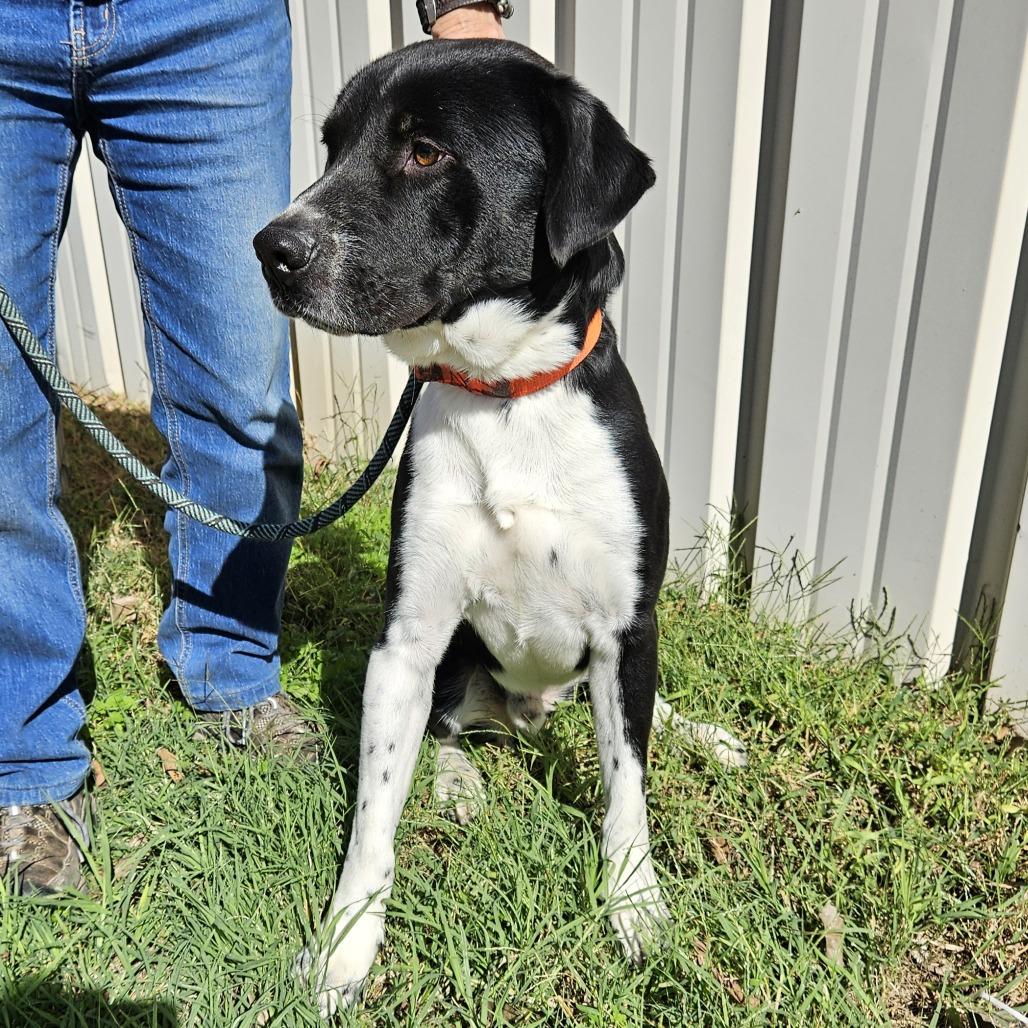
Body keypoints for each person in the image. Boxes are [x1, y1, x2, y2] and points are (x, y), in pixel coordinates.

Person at [0, 0, 507, 895]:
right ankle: (24, 752)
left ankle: (230, 668)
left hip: (201, 21)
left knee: (238, 388)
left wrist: (463, 7)